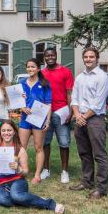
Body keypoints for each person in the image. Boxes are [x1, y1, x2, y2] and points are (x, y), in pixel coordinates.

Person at [0, 120, 65, 214]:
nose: (6, 133)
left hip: (17, 181)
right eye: (3, 130)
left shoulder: (20, 149)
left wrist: (18, 169)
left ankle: (50, 204)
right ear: (0, 132)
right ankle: (27, 198)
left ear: (14, 132)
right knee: (4, 201)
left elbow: (26, 172)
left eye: (9, 130)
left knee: (16, 196)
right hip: (1, 184)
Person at [69, 47, 108, 199]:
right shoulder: (80, 77)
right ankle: (87, 181)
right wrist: (76, 114)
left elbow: (98, 103)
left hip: (94, 119)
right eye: (86, 57)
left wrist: (83, 117)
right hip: (80, 118)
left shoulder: (102, 77)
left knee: (99, 154)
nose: (88, 59)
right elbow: (74, 98)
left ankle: (101, 188)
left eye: (91, 57)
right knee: (84, 152)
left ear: (97, 58)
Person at [41, 47, 74, 183]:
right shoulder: (41, 73)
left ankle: (64, 171)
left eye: (52, 55)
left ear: (56, 56)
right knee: (45, 142)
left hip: (62, 112)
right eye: (47, 56)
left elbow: (69, 93)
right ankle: (46, 169)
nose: (50, 58)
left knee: (64, 142)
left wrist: (71, 112)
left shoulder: (66, 72)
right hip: (45, 113)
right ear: (44, 57)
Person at [18, 58, 52, 184]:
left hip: (39, 118)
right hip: (25, 119)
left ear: (38, 69)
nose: (30, 69)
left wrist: (47, 120)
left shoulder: (45, 84)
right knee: (22, 147)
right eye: (28, 67)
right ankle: (22, 170)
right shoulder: (22, 83)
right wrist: (22, 107)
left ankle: (37, 175)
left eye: (33, 67)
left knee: (38, 147)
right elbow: (16, 100)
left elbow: (48, 103)